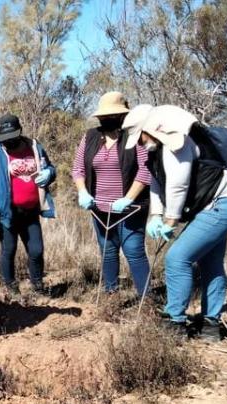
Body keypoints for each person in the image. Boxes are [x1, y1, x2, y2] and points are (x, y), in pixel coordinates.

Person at [123, 104, 227, 341]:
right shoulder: (156, 151)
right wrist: (156, 216)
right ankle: (210, 325)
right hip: (213, 206)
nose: (139, 144)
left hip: (223, 204)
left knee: (177, 258)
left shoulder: (176, 145)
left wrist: (171, 221)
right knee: (210, 261)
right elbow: (157, 184)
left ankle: (175, 321)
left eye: (139, 138)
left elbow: (177, 185)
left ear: (148, 130)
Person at [72, 92, 152, 296]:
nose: (106, 119)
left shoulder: (133, 136)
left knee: (133, 251)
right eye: (104, 116)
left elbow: (146, 169)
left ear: (122, 116)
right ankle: (111, 294)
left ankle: (146, 298)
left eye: (112, 115)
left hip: (130, 208)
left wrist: (129, 199)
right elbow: (78, 169)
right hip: (99, 208)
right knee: (107, 251)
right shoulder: (90, 137)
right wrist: (83, 192)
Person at [0, 114, 57, 298]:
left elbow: (51, 168)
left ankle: (38, 287)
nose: (9, 142)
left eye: (12, 136)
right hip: (7, 213)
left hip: (31, 211)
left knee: (36, 250)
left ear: (19, 131)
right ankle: (11, 289)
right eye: (4, 138)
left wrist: (49, 173)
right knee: (9, 250)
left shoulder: (35, 147)